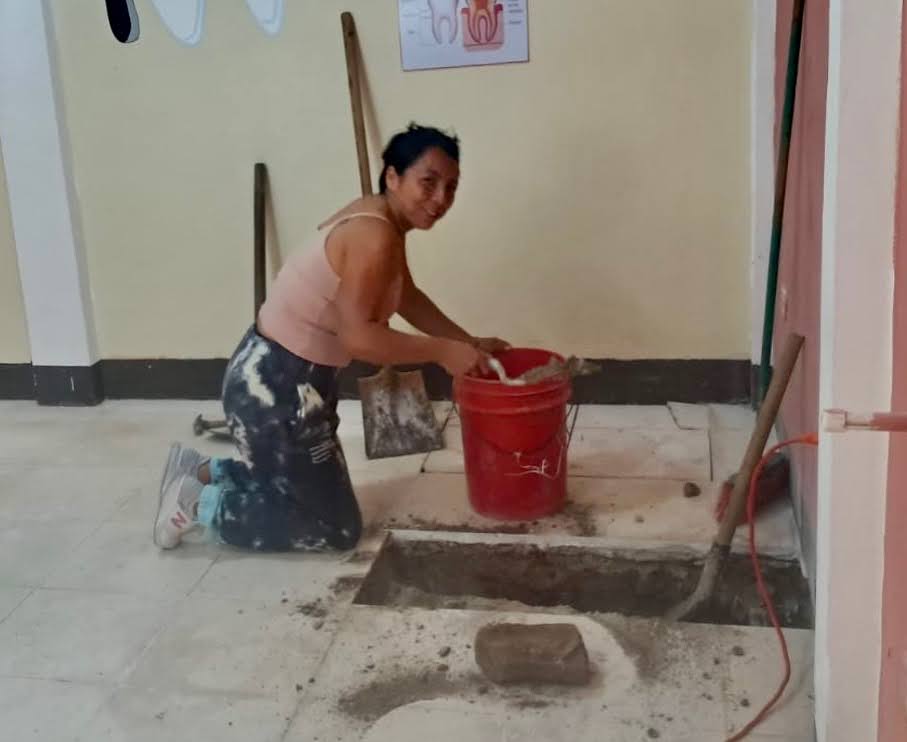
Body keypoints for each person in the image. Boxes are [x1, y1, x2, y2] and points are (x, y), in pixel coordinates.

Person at [154, 123, 509, 552]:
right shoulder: (373, 236)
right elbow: (360, 339)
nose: (441, 200)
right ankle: (197, 504)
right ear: (393, 177)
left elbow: (405, 296)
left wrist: (466, 342)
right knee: (333, 529)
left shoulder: (381, 220)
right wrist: (440, 351)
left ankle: (204, 469)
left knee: (309, 490)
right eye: (428, 183)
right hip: (275, 388)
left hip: (282, 377)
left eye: (451, 188)